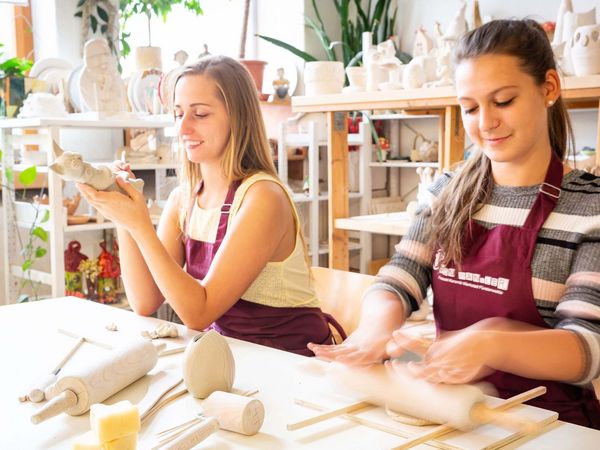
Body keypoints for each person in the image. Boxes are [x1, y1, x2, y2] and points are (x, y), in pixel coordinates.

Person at [309, 19, 600, 428]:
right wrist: (375, 328)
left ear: (549, 87)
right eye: (470, 107)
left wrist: (491, 343)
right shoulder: (447, 192)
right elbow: (400, 278)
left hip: (551, 427)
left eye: (503, 101)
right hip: (453, 416)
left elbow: (587, 347)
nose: (485, 123)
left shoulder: (589, 206)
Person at [77, 55, 343, 356]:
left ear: (238, 118)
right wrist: (123, 214)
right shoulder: (184, 199)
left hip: (292, 362)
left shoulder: (263, 198)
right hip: (231, 356)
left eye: (200, 114)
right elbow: (145, 300)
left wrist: (140, 224)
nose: (183, 128)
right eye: (178, 115)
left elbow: (199, 312)